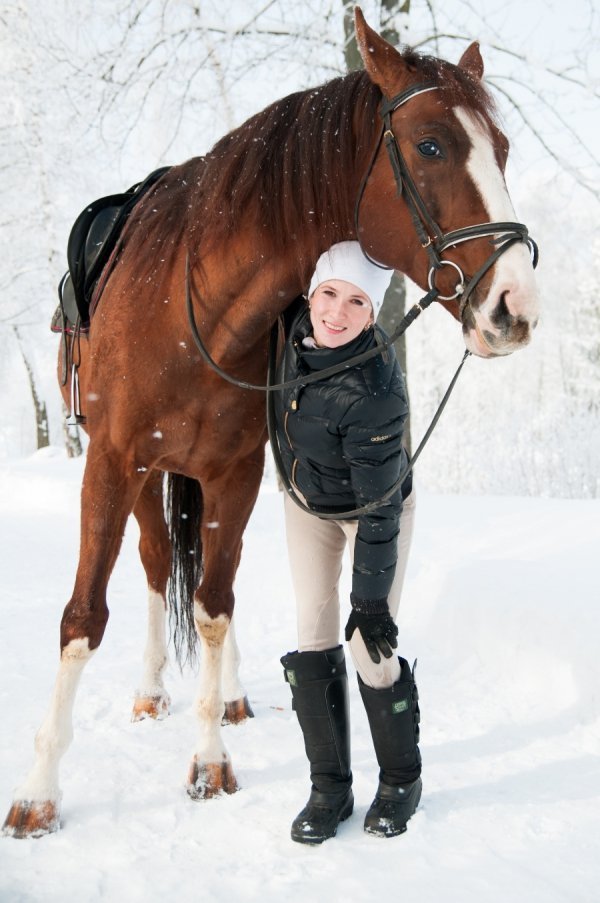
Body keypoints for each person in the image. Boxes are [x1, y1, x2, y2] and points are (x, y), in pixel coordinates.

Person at [275, 241, 421, 845]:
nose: (337, 312)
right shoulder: (289, 332)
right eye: (329, 294)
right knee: (311, 636)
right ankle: (329, 787)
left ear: (373, 312)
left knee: (369, 646)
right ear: (309, 296)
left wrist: (369, 604)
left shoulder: (377, 390)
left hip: (375, 511)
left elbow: (381, 511)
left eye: (357, 301)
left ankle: (400, 778)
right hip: (308, 501)